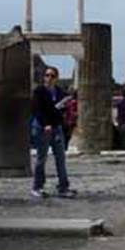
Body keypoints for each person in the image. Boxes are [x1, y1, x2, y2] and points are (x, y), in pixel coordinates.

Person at [31, 66, 76, 199]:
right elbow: (37, 110)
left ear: (56, 78)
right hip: (42, 127)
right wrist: (46, 124)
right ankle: (37, 187)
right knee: (41, 158)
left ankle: (63, 187)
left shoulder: (59, 92)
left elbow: (61, 111)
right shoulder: (39, 91)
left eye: (52, 76)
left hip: (56, 127)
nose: (49, 78)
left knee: (61, 158)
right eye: (47, 75)